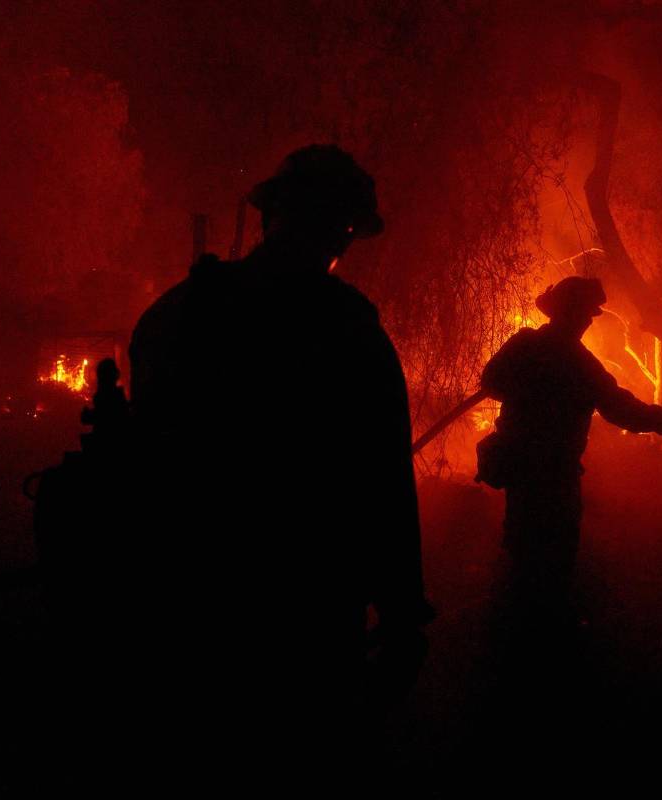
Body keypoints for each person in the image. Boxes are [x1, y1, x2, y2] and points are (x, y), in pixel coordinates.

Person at [121, 144, 432, 786]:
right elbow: (382, 482)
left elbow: (141, 458)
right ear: (339, 228)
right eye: (345, 228)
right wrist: (402, 615)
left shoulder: (179, 312)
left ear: (269, 218)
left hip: (184, 610)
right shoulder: (347, 329)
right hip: (305, 616)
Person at [479, 277, 662, 612]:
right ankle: (540, 629)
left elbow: (492, 383)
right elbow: (622, 411)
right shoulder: (578, 363)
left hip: (523, 472)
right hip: (554, 477)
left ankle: (516, 626)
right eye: (585, 314)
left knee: (522, 551)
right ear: (570, 313)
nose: (587, 321)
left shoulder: (526, 345)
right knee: (552, 560)